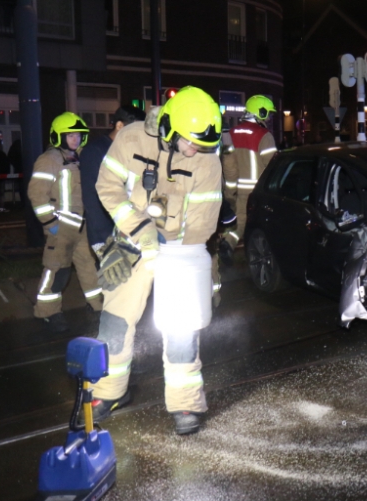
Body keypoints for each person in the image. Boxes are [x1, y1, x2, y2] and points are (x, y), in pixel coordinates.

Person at [91, 86, 223, 435]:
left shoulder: (207, 162)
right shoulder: (132, 139)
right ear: (169, 128)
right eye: (190, 141)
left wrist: (170, 249)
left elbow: (203, 224)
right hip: (132, 245)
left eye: (203, 144)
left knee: (180, 330)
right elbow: (107, 187)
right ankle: (108, 391)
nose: (196, 150)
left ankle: (185, 403)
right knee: (115, 322)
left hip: (178, 253)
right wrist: (137, 230)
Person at [27, 113, 103, 333]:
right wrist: (50, 222)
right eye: (69, 135)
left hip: (83, 224)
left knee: (89, 267)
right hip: (61, 225)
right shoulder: (48, 160)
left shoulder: (81, 157)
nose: (75, 139)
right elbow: (37, 195)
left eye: (78, 135)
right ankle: (47, 312)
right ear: (58, 136)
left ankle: (97, 306)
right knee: (56, 269)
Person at [80, 105, 146, 253]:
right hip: (105, 234)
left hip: (129, 230)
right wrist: (105, 238)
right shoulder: (95, 151)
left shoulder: (132, 151)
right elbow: (92, 199)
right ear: (119, 125)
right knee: (114, 274)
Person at [221, 95, 277, 255]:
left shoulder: (231, 133)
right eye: (268, 113)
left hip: (233, 188)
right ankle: (229, 244)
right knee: (245, 222)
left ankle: (227, 242)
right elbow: (272, 166)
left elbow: (227, 163)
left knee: (237, 219)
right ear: (261, 112)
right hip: (255, 190)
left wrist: (228, 191)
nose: (270, 117)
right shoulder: (264, 136)